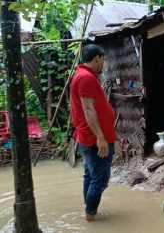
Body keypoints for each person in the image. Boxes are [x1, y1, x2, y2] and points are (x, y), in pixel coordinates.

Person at [70, 44, 115, 222]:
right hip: (93, 138)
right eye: (102, 60)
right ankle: (90, 215)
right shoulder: (86, 78)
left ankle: (89, 212)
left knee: (90, 175)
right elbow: (88, 109)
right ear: (96, 58)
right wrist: (101, 138)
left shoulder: (82, 76)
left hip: (88, 136)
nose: (103, 64)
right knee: (100, 179)